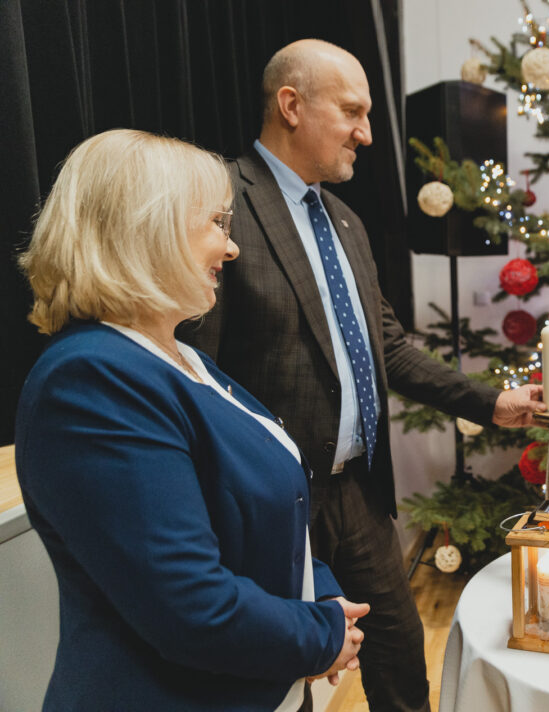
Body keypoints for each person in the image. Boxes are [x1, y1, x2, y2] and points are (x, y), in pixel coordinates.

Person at [179, 39, 545, 712]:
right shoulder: (220, 202)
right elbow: (193, 370)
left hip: (361, 490)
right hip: (272, 500)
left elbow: (388, 348)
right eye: (352, 111)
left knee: (400, 655)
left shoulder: (345, 221)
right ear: (291, 105)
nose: (367, 133)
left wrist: (492, 402)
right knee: (285, 680)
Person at [15, 129, 369, 711]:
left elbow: (260, 516)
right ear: (148, 229)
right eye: (217, 224)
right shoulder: (91, 381)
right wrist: (322, 635)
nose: (232, 249)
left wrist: (322, 595)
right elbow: (191, 607)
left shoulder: (181, 357)